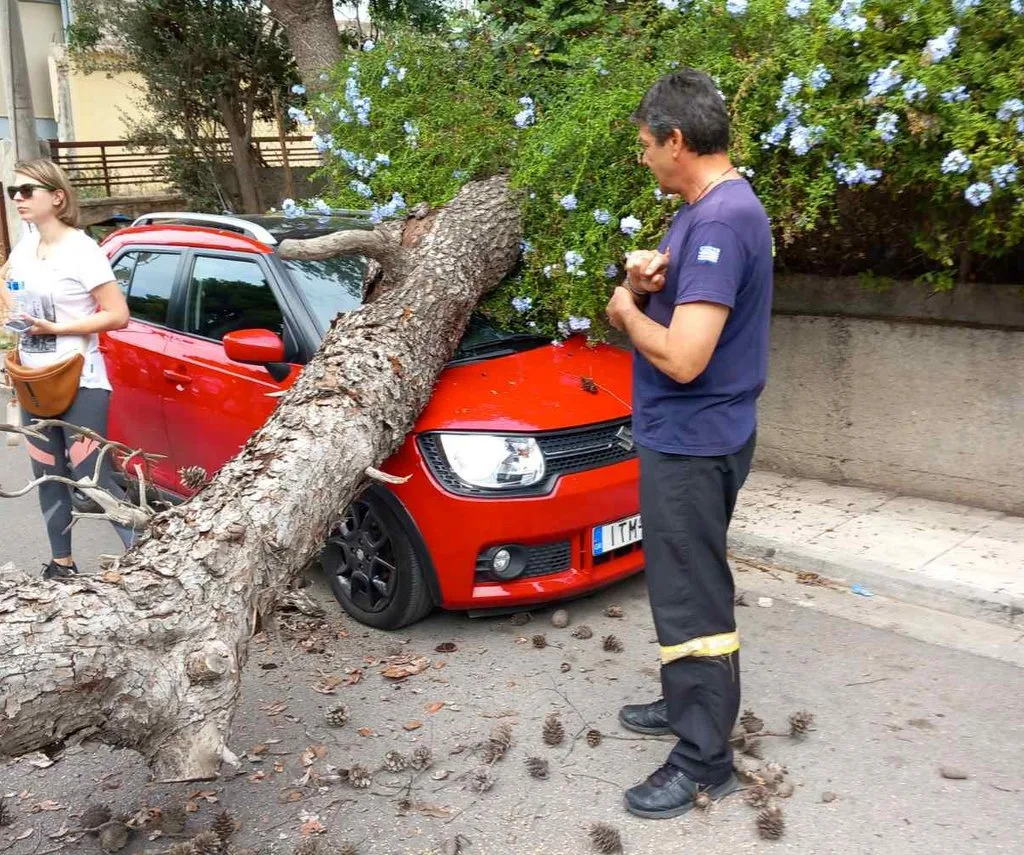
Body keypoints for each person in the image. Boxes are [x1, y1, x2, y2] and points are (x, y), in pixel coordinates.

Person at [604, 69, 773, 819]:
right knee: (684, 582)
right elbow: (687, 310)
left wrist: (624, 312)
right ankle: (686, 703)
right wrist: (646, 280)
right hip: (695, 435)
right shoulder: (706, 212)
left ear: (677, 141)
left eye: (647, 145)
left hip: (695, 441)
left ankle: (704, 759)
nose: (643, 158)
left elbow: (683, 357)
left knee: (691, 597)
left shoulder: (721, 221)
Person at [1, 159, 133, 578]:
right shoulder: (26, 246)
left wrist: (57, 328)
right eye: (14, 191)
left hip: (80, 379)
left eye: (27, 191)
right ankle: (62, 564)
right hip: (33, 381)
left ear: (57, 197)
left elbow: (118, 314)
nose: (18, 198)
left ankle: (147, 560)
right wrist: (14, 317)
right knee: (47, 475)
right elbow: (8, 285)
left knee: (93, 476)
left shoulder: (82, 250)